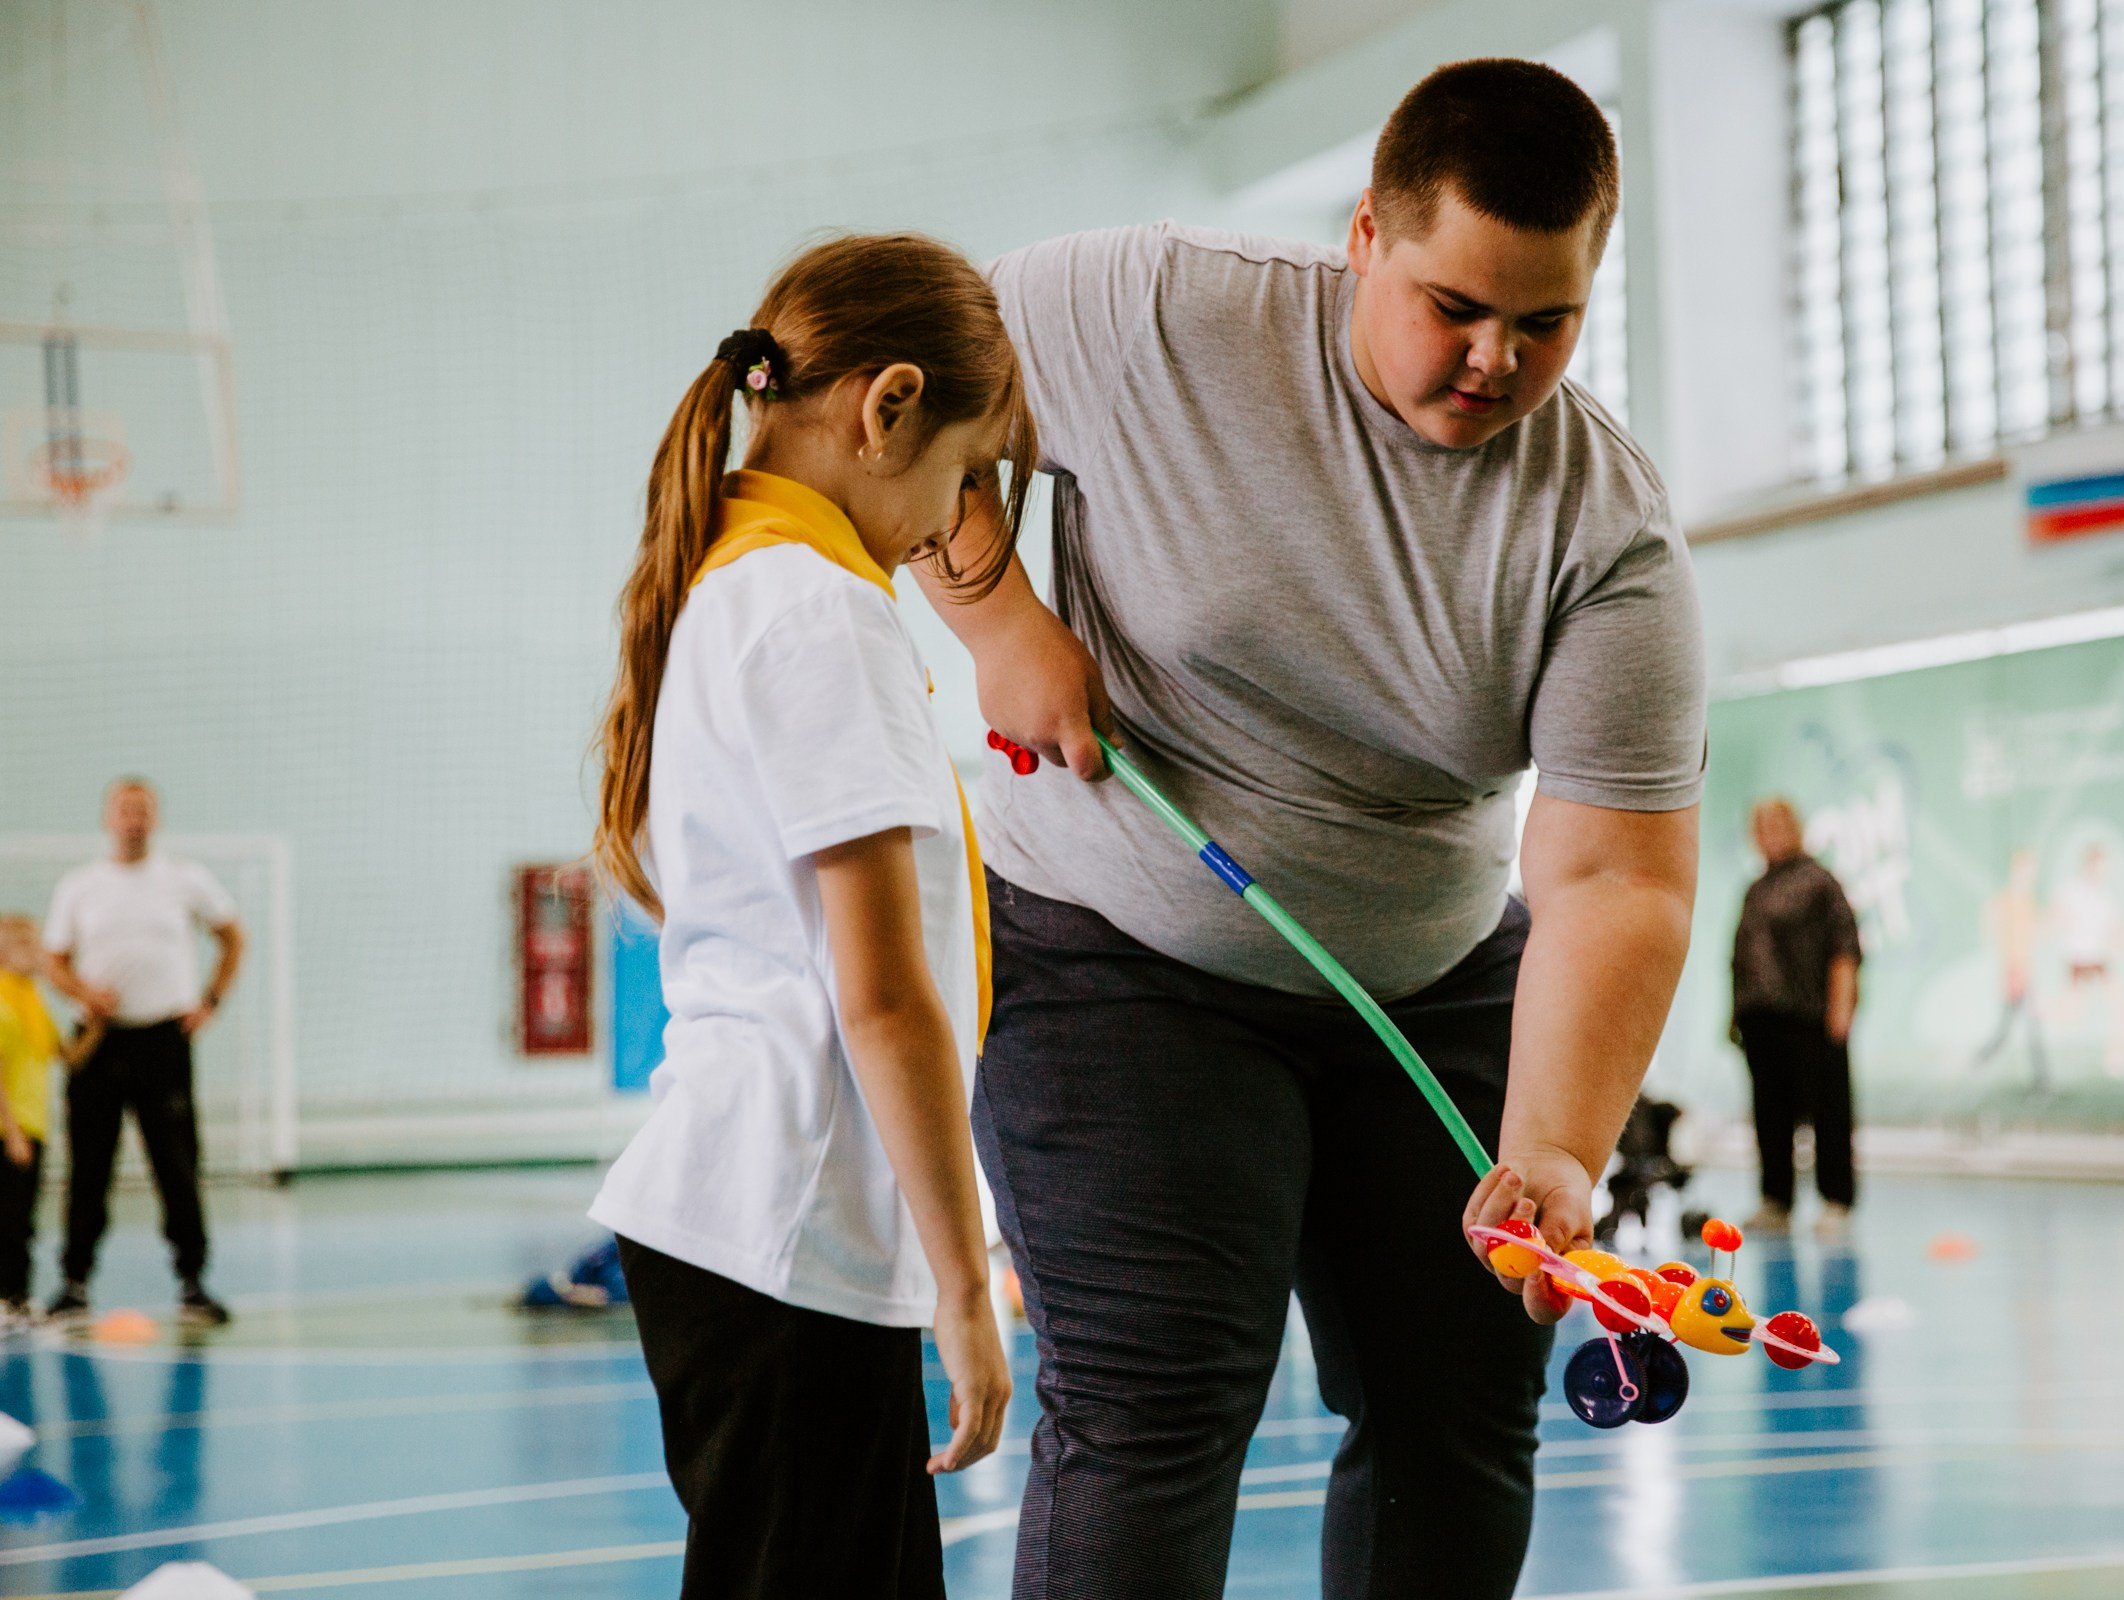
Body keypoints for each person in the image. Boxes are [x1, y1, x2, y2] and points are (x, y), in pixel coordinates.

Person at [923, 60, 1705, 1600]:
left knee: (1462, 1402)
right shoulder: (1146, 310)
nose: (1493, 359)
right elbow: (893, 389)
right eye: (1455, 305)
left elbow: (1614, 873)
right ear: (1364, 237)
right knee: (1158, 1395)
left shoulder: (1607, 533)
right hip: (1116, 946)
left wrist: (1555, 1142)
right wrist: (994, 611)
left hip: (1429, 963)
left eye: (1544, 324)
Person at [585, 234, 1025, 1600]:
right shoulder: (820, 611)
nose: (953, 528)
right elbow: (882, 993)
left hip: (762, 1232)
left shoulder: (732, 583)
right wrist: (965, 1284)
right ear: (885, 407)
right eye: (963, 477)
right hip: (786, 1236)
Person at [40, 779, 241, 1327]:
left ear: (155, 819)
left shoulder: (185, 879)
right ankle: (74, 1282)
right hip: (102, 1042)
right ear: (108, 817)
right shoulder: (81, 886)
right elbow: (54, 961)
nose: (134, 820)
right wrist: (86, 993)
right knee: (89, 1167)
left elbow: (231, 936)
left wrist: (210, 1000)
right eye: (125, 811)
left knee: (176, 1164)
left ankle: (193, 1281)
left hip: (163, 1040)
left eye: (143, 811)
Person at [1729, 798, 1861, 1241]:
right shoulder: (1757, 888)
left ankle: (1836, 1200)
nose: (1770, 833)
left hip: (1810, 1016)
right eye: (1761, 825)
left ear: (1796, 827)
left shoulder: (1821, 882)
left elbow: (1845, 948)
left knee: (1828, 1112)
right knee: (1770, 1114)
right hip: (1761, 1021)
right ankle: (1776, 1200)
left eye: (1777, 824)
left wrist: (1841, 1010)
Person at [0, 915, 61, 1329]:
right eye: (26, 945)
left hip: (34, 1125)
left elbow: (65, 1055)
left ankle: (18, 1296)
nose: (36, 953)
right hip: (9, 1128)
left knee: (22, 1219)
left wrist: (98, 1018)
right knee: (5, 1217)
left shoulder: (33, 1000)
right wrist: (13, 1131)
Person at [2049, 842, 2124, 1075]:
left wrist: (2120, 940)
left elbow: (2117, 929)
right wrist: (2056, 924)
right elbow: (2055, 916)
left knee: (2119, 1005)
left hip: (2099, 959)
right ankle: (2040, 1008)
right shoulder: (2070, 889)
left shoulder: (2106, 897)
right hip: (2077, 959)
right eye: (2099, 866)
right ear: (2088, 864)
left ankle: (2117, 1056)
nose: (2102, 872)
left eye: (2105, 868)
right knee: (2072, 1014)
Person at [1974, 849, 2047, 1084]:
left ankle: (1982, 1057)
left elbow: (2036, 931)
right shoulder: (2008, 900)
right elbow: (1990, 919)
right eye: (2026, 870)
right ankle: (2042, 1081)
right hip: (2016, 970)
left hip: (2024, 969)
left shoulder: (2027, 901)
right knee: (2027, 1027)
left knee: (2009, 1028)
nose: (2029, 875)